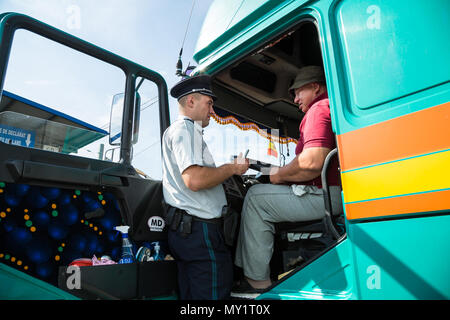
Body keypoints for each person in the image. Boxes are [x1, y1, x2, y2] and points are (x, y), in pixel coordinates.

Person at [233, 65, 342, 297]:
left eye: (298, 92)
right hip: (331, 193)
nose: (294, 99)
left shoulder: (318, 109)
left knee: (254, 198)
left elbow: (312, 162)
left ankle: (257, 284)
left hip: (321, 195)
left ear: (315, 87)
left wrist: (276, 176)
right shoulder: (329, 106)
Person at [162, 74, 249, 300]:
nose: (212, 111)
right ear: (191, 101)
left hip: (189, 231)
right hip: (200, 232)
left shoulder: (185, 131)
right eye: (209, 103)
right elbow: (195, 180)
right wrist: (232, 168)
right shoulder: (185, 130)